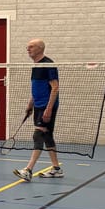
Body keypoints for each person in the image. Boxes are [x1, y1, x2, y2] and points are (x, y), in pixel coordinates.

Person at [14, 38, 64, 181]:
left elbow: (55, 88)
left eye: (31, 46)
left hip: (46, 106)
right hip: (38, 105)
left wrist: (48, 109)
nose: (28, 49)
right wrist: (30, 104)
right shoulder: (36, 66)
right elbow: (37, 88)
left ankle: (28, 170)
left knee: (38, 135)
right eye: (27, 46)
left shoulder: (48, 64)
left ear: (40, 48)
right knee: (47, 136)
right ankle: (56, 169)